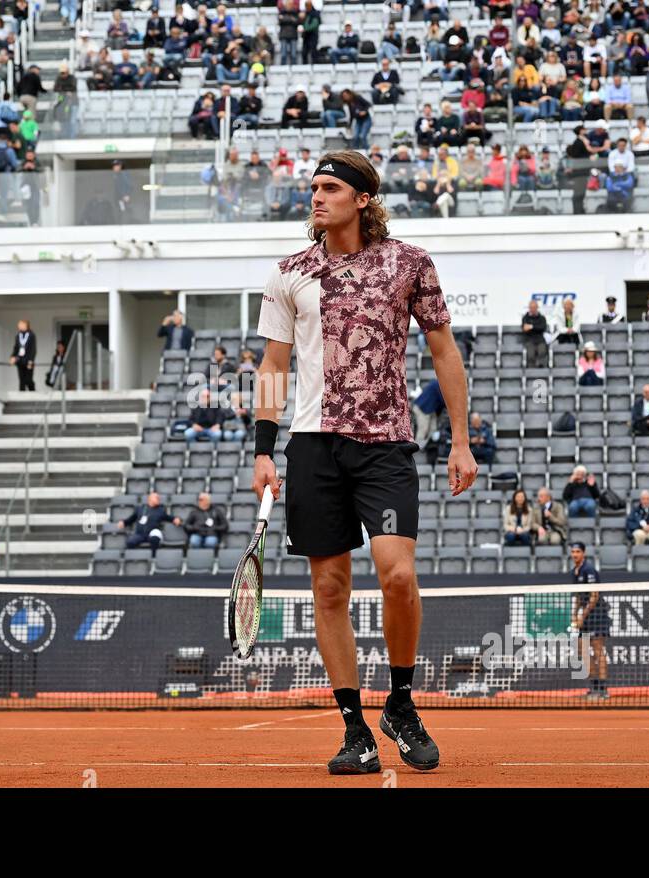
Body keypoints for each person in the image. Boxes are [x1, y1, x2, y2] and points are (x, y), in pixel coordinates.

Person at [251, 150, 475, 775]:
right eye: (313, 188)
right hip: (313, 445)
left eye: (329, 188)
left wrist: (460, 439)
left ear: (363, 199)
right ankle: (355, 728)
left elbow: (443, 351)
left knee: (396, 575)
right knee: (329, 588)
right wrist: (264, 450)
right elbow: (273, 366)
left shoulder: (410, 263)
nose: (316, 197)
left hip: (384, 443)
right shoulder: (290, 272)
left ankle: (400, 704)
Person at [569, 542, 610, 700]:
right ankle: (595, 687)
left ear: (583, 553)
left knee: (598, 650)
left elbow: (594, 596)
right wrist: (574, 614)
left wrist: (582, 616)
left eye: (577, 551)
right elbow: (579, 596)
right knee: (582, 649)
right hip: (584, 616)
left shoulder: (589, 570)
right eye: (572, 552)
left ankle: (604, 690)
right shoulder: (575, 572)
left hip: (597, 615)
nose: (574, 555)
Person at [10, 319, 37, 391]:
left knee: (28, 379)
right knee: (21, 380)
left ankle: (32, 391)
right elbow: (16, 348)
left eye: (20, 324)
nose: (18, 326)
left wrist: (31, 360)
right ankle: (21, 393)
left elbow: (33, 349)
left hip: (28, 361)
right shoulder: (18, 336)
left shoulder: (31, 335)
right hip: (20, 361)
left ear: (25, 325)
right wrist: (12, 357)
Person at [521, 299, 550, 367]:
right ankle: (531, 372)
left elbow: (542, 327)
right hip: (529, 340)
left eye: (534, 307)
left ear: (537, 308)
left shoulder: (542, 318)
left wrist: (531, 326)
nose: (533, 309)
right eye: (531, 307)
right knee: (530, 354)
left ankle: (542, 369)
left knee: (542, 351)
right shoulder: (525, 318)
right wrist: (536, 327)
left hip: (540, 340)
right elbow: (525, 328)